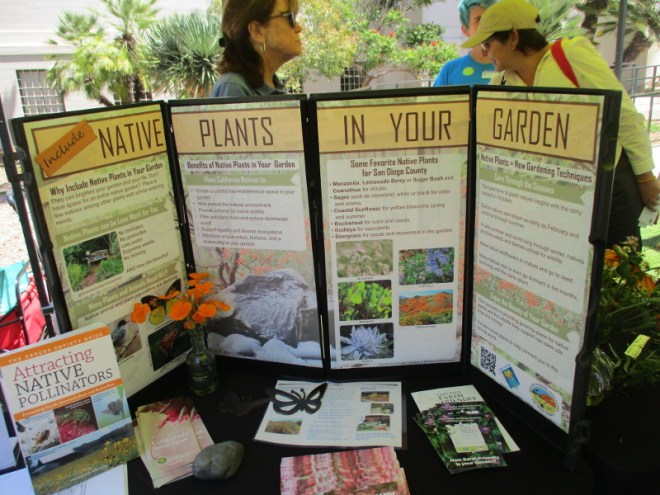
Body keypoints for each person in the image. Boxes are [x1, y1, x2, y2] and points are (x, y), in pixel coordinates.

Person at [461, 0, 659, 247]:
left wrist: (645, 178)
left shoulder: (570, 55)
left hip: (607, 190)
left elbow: (624, 115)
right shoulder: (500, 84)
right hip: (558, 200)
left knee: (617, 264)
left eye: (488, 44)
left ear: (513, 38)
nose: (484, 52)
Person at [211, 0, 302, 97]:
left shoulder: (273, 88)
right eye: (290, 18)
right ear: (257, 31)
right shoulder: (233, 87)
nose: (299, 28)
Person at [433, 0, 498, 86]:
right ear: (465, 30)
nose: (488, 25)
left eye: (492, 18)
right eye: (479, 20)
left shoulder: (511, 69)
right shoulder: (450, 71)